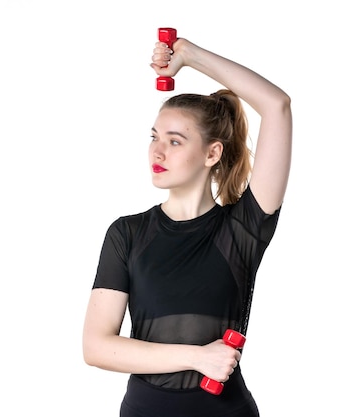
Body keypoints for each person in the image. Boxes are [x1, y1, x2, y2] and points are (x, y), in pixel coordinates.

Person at [82, 34, 292, 417]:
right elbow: (96, 348)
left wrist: (190, 56)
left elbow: (276, 106)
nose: (157, 152)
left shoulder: (242, 229)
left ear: (213, 153)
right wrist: (198, 357)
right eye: (154, 137)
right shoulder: (126, 234)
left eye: (175, 141)